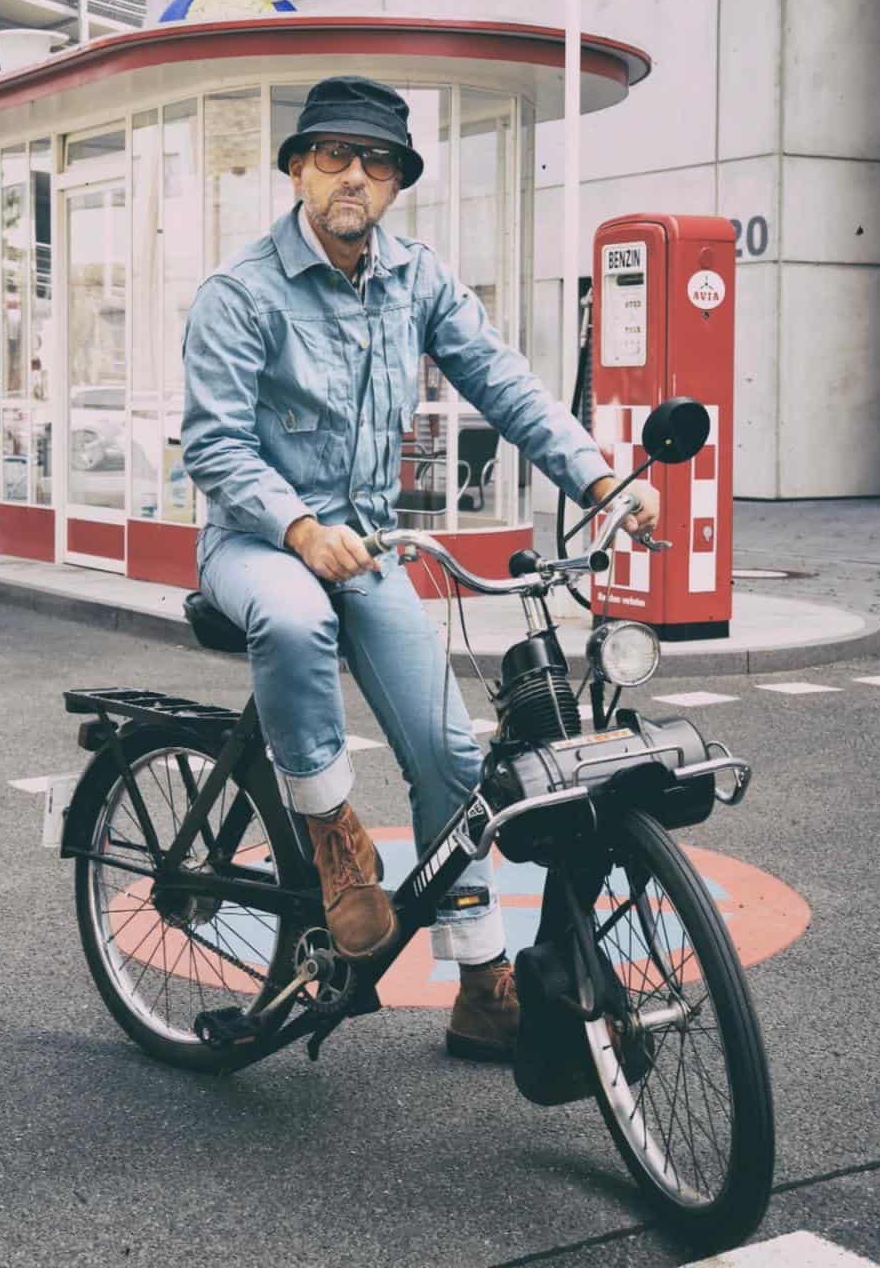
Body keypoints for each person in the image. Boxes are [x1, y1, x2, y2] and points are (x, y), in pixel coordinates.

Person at [181, 76, 660, 1061]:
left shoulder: (416, 278)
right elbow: (215, 446)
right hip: (256, 540)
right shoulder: (241, 292)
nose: (354, 175)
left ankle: (482, 987)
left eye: (378, 161)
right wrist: (299, 527)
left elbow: (505, 382)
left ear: (398, 183)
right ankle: (333, 836)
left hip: (369, 548)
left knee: (452, 760)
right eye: (333, 155)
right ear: (297, 170)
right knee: (295, 618)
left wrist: (600, 478)